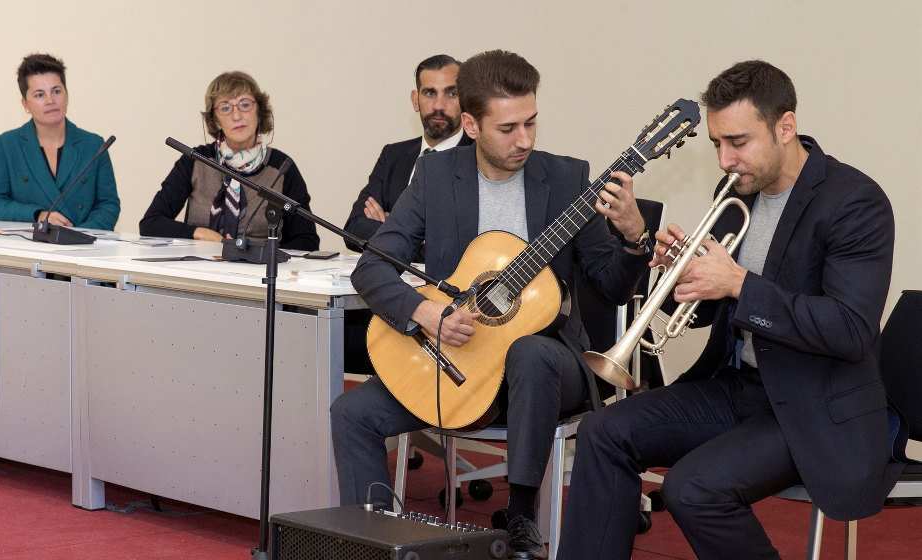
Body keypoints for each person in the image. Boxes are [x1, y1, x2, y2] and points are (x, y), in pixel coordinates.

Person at [557, 60, 907, 560]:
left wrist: (739, 283)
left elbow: (849, 330)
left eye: (738, 142)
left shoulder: (854, 203)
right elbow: (704, 315)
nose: (724, 160)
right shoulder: (734, 192)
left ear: (785, 127)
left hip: (813, 404)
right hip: (738, 387)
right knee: (602, 430)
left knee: (693, 489)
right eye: (717, 143)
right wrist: (679, 275)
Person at [331, 50, 652, 560]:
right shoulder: (435, 177)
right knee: (352, 413)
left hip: (548, 368)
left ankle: (520, 519)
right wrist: (426, 313)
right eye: (507, 128)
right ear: (471, 125)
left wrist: (635, 238)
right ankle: (371, 542)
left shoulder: (568, 180)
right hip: (460, 356)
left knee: (529, 352)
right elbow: (371, 267)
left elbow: (611, 287)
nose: (524, 139)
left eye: (531, 123)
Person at [140, 71, 319, 250]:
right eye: (225, 108)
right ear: (215, 120)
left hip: (259, 272)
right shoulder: (196, 161)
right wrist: (199, 234)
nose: (236, 116)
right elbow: (150, 223)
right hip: (199, 267)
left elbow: (307, 241)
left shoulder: (281, 168)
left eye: (245, 105)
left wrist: (266, 256)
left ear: (259, 111)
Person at [343, 54, 473, 258]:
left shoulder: (479, 158)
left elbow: (462, 249)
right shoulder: (393, 156)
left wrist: (392, 226)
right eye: (430, 93)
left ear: (465, 101)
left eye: (451, 94)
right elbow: (353, 229)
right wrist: (420, 238)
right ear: (415, 100)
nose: (439, 105)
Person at [0, 53, 119, 230]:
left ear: (67, 95)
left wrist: (81, 234)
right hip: (28, 245)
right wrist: (38, 215)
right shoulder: (7, 144)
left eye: (56, 91)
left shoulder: (94, 145)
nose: (50, 101)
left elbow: (108, 205)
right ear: (25, 104)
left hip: (83, 247)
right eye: (39, 95)